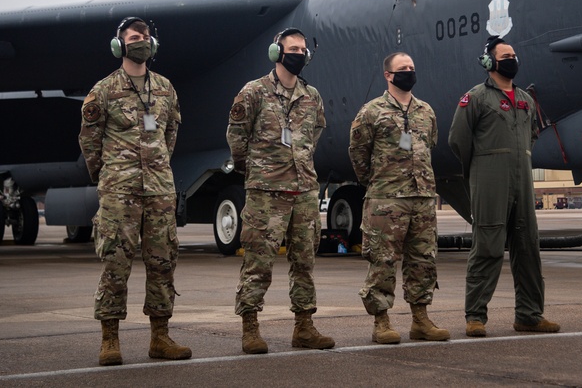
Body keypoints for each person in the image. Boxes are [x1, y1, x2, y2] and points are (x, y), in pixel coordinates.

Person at [79, 17, 191, 366]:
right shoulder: (104, 90)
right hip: (120, 192)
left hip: (158, 190)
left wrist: (157, 170)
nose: (141, 41)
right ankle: (109, 340)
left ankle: (160, 337)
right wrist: (111, 176)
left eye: (145, 36)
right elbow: (89, 140)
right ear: (119, 46)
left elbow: (170, 132)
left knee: (163, 264)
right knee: (116, 263)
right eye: (134, 37)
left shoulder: (165, 88)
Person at [226, 27, 335, 354]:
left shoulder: (311, 95)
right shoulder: (254, 92)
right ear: (277, 53)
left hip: (303, 191)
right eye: (293, 49)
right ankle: (250, 327)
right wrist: (258, 169)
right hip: (266, 192)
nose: (299, 54)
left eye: (303, 49)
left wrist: (298, 163)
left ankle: (304, 326)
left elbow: (315, 133)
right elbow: (236, 139)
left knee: (305, 261)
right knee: (258, 261)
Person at [448, 36, 560, 337]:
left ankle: (529, 315)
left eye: (514, 54)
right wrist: (484, 164)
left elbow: (533, 134)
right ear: (489, 62)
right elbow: (458, 139)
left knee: (528, 247)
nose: (512, 59)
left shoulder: (525, 98)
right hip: (489, 177)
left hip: (521, 177)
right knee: (488, 246)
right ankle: (475, 316)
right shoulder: (476, 98)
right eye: (505, 55)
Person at [349, 52, 450, 344]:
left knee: (423, 260)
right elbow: (358, 154)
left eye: (412, 68)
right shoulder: (371, 111)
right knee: (382, 261)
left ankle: (420, 320)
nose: (409, 72)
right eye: (402, 68)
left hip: (422, 197)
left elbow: (430, 144)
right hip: (386, 198)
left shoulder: (426, 111)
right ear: (388, 75)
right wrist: (379, 182)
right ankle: (381, 322)